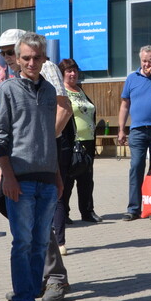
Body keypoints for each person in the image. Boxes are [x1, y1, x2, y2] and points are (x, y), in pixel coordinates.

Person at [0, 31, 64, 301]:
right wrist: (7, 177)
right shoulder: (6, 90)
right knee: (21, 243)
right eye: (26, 58)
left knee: (38, 244)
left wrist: (58, 176)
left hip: (47, 179)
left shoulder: (49, 91)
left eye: (37, 57)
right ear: (17, 60)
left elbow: (51, 137)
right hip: (19, 181)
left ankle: (33, 300)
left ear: (44, 58)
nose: (32, 62)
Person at [56, 59, 98, 249]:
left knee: (87, 178)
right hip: (72, 142)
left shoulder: (80, 90)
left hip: (88, 141)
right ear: (62, 74)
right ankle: (63, 213)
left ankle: (87, 211)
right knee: (68, 179)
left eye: (74, 71)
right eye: (68, 72)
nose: (72, 74)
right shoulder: (62, 93)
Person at [117, 45, 151, 221]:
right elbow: (125, 105)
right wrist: (121, 129)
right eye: (144, 60)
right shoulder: (131, 79)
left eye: (150, 61)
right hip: (137, 131)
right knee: (136, 167)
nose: (146, 64)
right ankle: (133, 208)